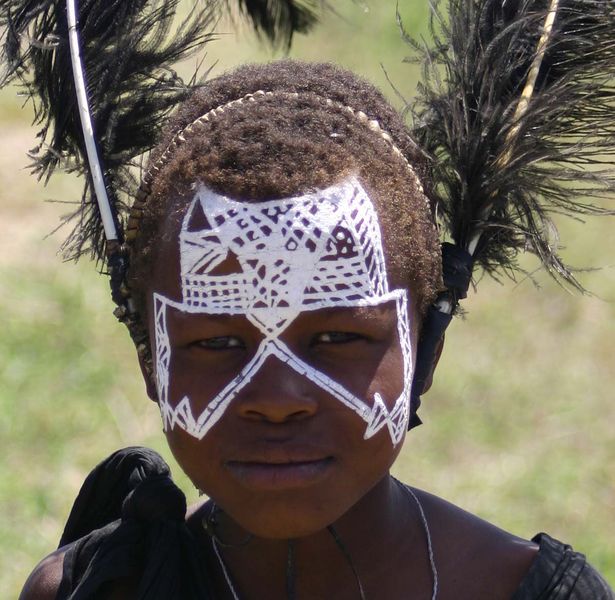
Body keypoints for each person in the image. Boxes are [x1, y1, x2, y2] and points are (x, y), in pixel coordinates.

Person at [4, 1, 614, 599]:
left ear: (424, 347)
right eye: (217, 342)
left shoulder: (526, 588)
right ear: (150, 359)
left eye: (337, 338)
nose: (276, 400)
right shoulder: (101, 587)